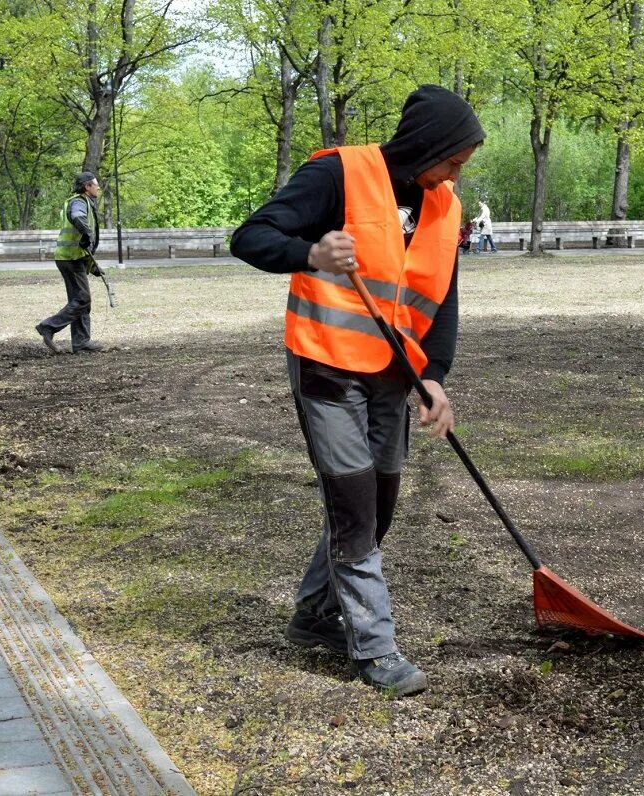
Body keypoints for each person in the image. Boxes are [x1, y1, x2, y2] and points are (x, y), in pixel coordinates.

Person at [229, 85, 484, 697]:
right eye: (453, 160)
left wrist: (433, 376)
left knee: (381, 503)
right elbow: (250, 236)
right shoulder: (338, 175)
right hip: (326, 366)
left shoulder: (442, 204)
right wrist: (311, 251)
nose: (456, 173)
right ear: (427, 145)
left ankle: (314, 612)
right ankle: (375, 648)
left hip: (392, 375)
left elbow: (441, 297)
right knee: (354, 503)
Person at [36, 172, 104, 354]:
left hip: (72, 257)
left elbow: (81, 244)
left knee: (81, 301)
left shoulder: (84, 202)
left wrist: (93, 267)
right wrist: (87, 233)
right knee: (82, 299)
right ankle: (49, 326)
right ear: (87, 187)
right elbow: (77, 217)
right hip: (70, 259)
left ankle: (81, 343)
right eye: (95, 184)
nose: (98, 187)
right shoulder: (79, 202)